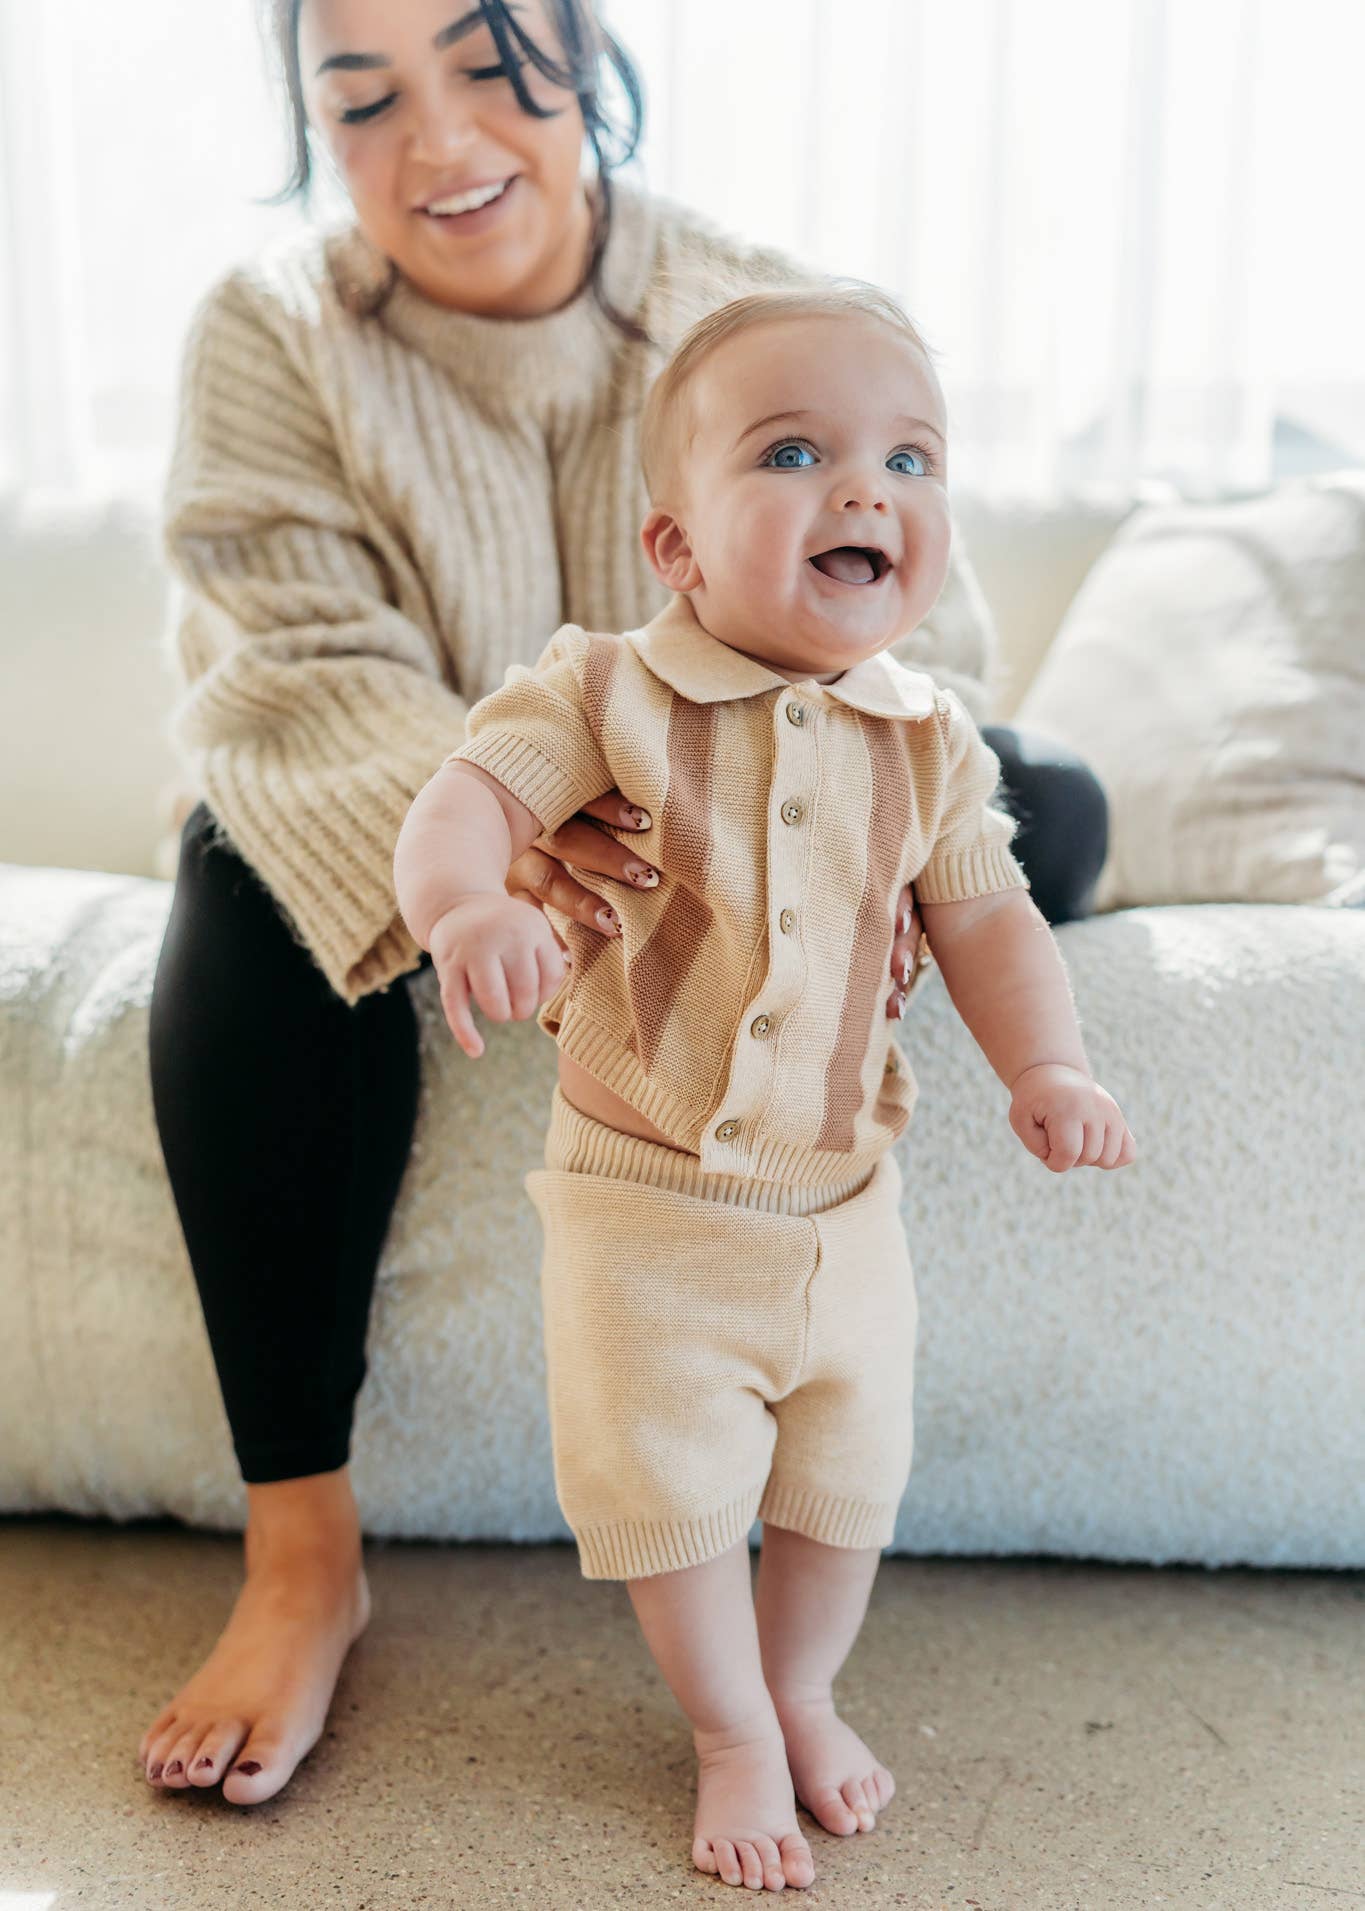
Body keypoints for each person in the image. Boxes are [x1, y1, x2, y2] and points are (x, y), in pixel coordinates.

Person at [141, 0, 1109, 1810]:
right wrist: (514, 842)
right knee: (235, 860)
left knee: (1041, 798)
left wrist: (840, 831)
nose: (437, 145)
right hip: (479, 789)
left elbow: (914, 639)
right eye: (359, 103)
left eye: (489, 70)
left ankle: (781, 1687)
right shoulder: (272, 335)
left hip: (771, 801)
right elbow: (300, 668)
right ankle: (301, 1557)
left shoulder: (757, 306)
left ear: (586, 65)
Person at [393, 284, 1137, 1893]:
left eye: (910, 458)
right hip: (646, 1208)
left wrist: (1049, 1062)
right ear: (674, 548)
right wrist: (467, 907)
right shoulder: (608, 692)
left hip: (838, 1206)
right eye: (796, 452)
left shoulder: (929, 740)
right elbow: (464, 794)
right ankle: (730, 1731)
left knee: (842, 1484)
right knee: (668, 1498)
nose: (867, 489)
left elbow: (993, 921)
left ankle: (802, 1690)